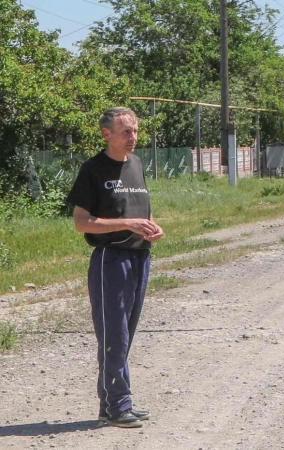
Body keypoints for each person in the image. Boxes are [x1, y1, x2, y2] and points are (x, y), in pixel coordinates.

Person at [67, 107, 164, 428]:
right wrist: (128, 224)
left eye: (135, 130)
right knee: (114, 335)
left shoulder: (135, 164)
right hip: (111, 259)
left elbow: (137, 212)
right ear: (106, 134)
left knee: (127, 333)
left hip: (140, 256)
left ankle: (113, 404)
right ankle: (117, 404)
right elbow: (82, 223)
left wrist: (150, 226)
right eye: (125, 131)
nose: (133, 137)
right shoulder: (93, 168)